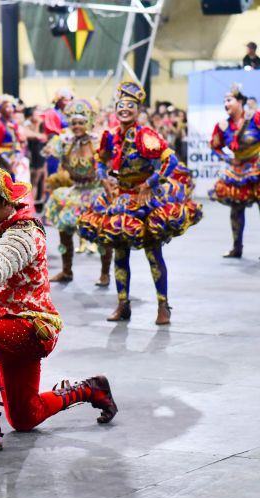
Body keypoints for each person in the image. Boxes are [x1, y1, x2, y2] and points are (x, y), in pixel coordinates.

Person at [0, 161, 117, 458]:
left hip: (32, 327)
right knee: (25, 418)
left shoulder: (23, 233)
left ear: (7, 203)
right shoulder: (1, 228)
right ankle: (91, 389)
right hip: (13, 327)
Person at [78, 81, 202, 325]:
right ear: (115, 108)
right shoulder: (110, 135)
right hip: (119, 199)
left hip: (145, 201)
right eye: (120, 105)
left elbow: (170, 161)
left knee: (153, 254)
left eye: (130, 106)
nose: (125, 109)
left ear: (138, 110)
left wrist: (151, 183)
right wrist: (104, 180)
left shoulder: (146, 135)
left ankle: (163, 305)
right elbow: (100, 160)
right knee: (119, 253)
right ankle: (123, 304)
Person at [43, 99, 112, 286]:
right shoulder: (64, 143)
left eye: (81, 122)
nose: (77, 126)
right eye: (73, 123)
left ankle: (105, 272)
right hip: (75, 192)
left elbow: (108, 166)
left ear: (88, 123)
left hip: (95, 193)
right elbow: (49, 154)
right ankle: (66, 270)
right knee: (64, 231)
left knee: (102, 234)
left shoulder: (98, 143)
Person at [208, 84, 260, 257]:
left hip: (257, 167)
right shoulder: (222, 126)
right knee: (236, 209)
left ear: (240, 102)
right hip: (238, 170)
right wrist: (227, 158)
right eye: (224, 101)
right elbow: (215, 146)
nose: (226, 103)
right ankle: (237, 247)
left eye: (229, 100)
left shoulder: (255, 118)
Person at [0, 94, 23, 176]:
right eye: (7, 107)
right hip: (2, 161)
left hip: (13, 160)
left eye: (12, 107)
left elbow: (17, 141)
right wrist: (6, 161)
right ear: (1, 109)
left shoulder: (13, 124)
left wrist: (17, 156)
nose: (10, 109)